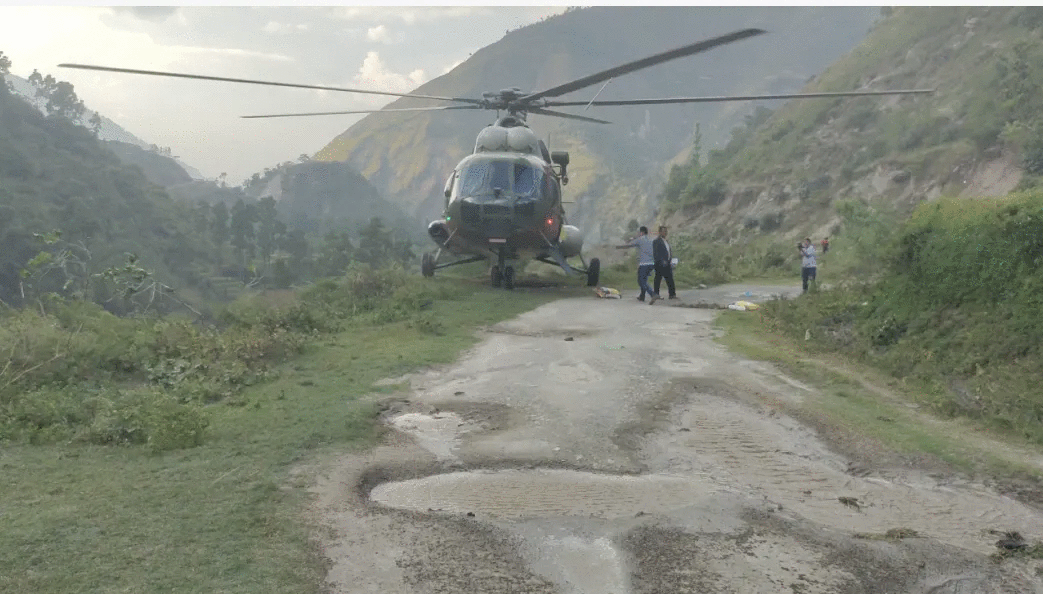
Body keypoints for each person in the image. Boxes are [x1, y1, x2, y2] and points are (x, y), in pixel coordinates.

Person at [616, 226, 657, 302]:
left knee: (641, 281)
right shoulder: (651, 240)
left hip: (644, 264)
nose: (638, 233)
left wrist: (617, 247)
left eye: (639, 232)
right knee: (644, 279)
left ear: (642, 232)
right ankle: (642, 296)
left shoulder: (640, 239)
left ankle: (653, 294)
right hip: (652, 263)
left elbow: (628, 245)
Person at [652, 225, 677, 301]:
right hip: (660, 264)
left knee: (670, 279)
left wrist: (670, 260)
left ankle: (672, 295)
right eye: (663, 231)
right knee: (658, 279)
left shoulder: (666, 241)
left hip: (667, 263)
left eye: (666, 231)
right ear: (660, 232)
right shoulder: (656, 241)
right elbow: (656, 253)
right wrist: (661, 260)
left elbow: (668, 252)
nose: (665, 233)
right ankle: (656, 294)